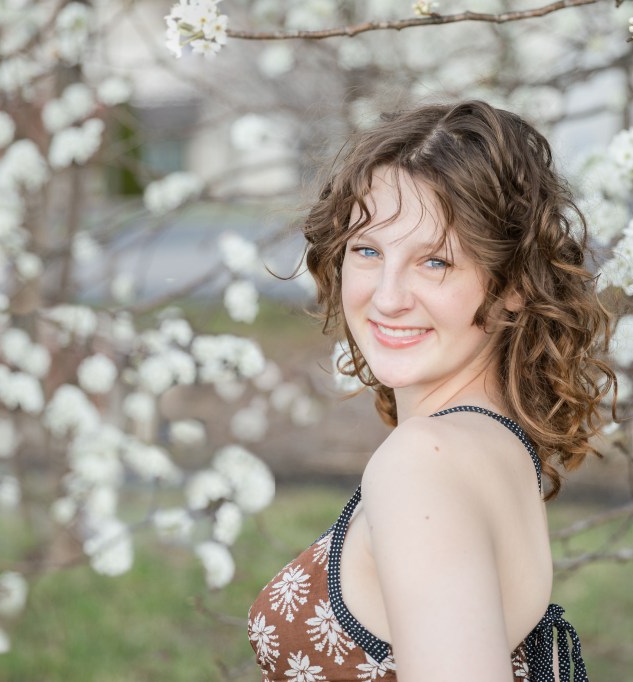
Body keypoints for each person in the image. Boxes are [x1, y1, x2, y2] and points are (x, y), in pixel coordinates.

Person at [247, 101, 614, 682]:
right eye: (368, 251)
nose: (388, 296)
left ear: (513, 284)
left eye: (435, 261)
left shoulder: (425, 463)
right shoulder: (493, 442)